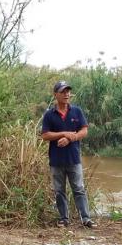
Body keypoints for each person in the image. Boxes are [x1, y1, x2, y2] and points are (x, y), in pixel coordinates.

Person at [41, 81, 96, 228]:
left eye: (68, 91)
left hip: (74, 159)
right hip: (56, 160)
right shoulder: (49, 115)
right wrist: (64, 133)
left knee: (79, 189)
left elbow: (84, 130)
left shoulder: (76, 111)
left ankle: (86, 219)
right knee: (59, 191)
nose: (66, 94)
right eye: (63, 92)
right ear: (55, 95)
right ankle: (64, 219)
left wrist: (71, 138)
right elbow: (45, 135)